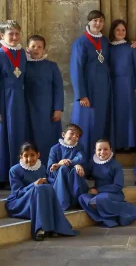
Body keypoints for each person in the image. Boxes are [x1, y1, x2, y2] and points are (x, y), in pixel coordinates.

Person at [6, 142, 77, 241]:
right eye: (25, 156)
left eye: (32, 155)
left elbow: (49, 182)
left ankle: (53, 227)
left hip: (38, 199)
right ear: (21, 157)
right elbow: (17, 193)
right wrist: (33, 185)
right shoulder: (14, 170)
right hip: (20, 202)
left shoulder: (42, 167)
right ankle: (40, 229)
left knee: (47, 188)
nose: (29, 159)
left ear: (38, 155)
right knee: (39, 189)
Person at [70, 10, 113, 162]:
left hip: (103, 90)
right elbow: (76, 69)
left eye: (101, 21)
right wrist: (81, 94)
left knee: (100, 126)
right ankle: (84, 162)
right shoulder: (81, 42)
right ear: (88, 22)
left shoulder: (105, 41)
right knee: (87, 127)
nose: (98, 24)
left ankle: (99, 161)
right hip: (88, 92)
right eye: (95, 20)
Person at [78, 139, 136, 227]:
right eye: (99, 149)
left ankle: (113, 219)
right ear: (95, 151)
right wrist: (77, 165)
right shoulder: (92, 163)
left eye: (105, 149)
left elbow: (118, 186)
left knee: (101, 199)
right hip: (97, 194)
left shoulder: (116, 165)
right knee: (82, 198)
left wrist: (98, 190)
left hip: (113, 193)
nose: (102, 152)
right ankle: (102, 218)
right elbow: (85, 172)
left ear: (111, 150)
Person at [25, 35, 64, 166]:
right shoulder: (23, 66)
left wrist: (58, 108)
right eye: (33, 46)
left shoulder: (52, 66)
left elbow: (58, 88)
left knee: (48, 140)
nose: (36, 49)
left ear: (44, 50)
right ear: (27, 49)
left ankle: (50, 167)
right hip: (28, 109)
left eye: (39, 47)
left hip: (48, 110)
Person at [0, 20, 27, 188]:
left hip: (19, 98)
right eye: (11, 34)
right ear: (2, 36)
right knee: (4, 137)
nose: (15, 37)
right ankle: (3, 177)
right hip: (4, 98)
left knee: (18, 134)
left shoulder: (22, 52)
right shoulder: (1, 53)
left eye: (17, 33)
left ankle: (18, 173)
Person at [109, 19, 136, 151]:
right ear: (113, 31)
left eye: (123, 30)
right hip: (114, 84)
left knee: (129, 114)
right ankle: (117, 144)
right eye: (117, 30)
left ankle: (129, 144)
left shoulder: (131, 47)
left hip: (129, 84)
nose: (120, 32)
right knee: (116, 114)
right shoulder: (109, 47)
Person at [47, 124, 88, 210]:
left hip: (73, 176)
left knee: (75, 170)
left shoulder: (79, 147)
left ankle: (76, 200)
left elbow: (80, 158)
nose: (74, 137)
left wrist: (74, 164)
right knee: (63, 169)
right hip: (58, 178)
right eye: (72, 133)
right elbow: (50, 169)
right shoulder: (54, 149)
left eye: (77, 136)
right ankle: (62, 202)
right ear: (63, 134)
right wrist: (58, 164)